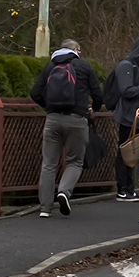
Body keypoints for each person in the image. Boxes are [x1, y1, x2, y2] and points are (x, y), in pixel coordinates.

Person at [30, 38, 104, 218]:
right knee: (75, 161)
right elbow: (98, 95)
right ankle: (64, 192)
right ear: (76, 50)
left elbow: (35, 93)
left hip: (52, 120)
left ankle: (45, 209)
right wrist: (91, 110)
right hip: (77, 120)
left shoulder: (50, 67)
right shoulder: (84, 67)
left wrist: (49, 107)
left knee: (49, 163)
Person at [111, 34, 139, 201]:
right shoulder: (127, 66)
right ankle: (122, 188)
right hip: (127, 116)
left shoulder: (138, 68)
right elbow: (127, 91)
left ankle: (129, 188)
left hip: (137, 115)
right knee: (125, 151)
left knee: (132, 152)